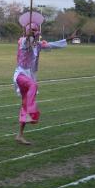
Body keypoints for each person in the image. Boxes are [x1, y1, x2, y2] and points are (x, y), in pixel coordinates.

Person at [14, 11, 77, 145]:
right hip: (20, 75)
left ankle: (19, 134)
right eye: (33, 31)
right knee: (33, 86)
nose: (35, 33)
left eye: (36, 31)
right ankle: (32, 111)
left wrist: (69, 39)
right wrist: (27, 36)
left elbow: (53, 45)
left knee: (25, 104)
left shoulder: (38, 45)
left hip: (30, 76)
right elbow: (24, 42)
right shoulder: (22, 41)